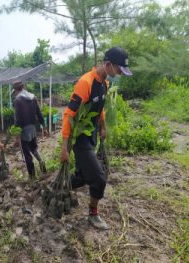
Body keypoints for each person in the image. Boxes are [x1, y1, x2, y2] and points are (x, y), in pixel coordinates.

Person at [60, 47, 132, 229]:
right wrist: (64, 147)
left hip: (91, 134)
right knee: (99, 178)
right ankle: (93, 214)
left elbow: (99, 108)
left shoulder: (104, 84)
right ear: (108, 64)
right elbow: (69, 114)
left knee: (83, 177)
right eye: (118, 70)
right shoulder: (85, 83)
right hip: (80, 138)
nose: (119, 75)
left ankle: (60, 186)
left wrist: (103, 127)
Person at [12, 81, 47, 178]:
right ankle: (42, 164)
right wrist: (44, 126)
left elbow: (18, 119)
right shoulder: (33, 97)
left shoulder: (18, 100)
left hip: (24, 131)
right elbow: (39, 113)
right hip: (33, 129)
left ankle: (32, 176)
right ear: (24, 87)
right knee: (34, 148)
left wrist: (16, 135)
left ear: (15, 90)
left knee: (26, 154)